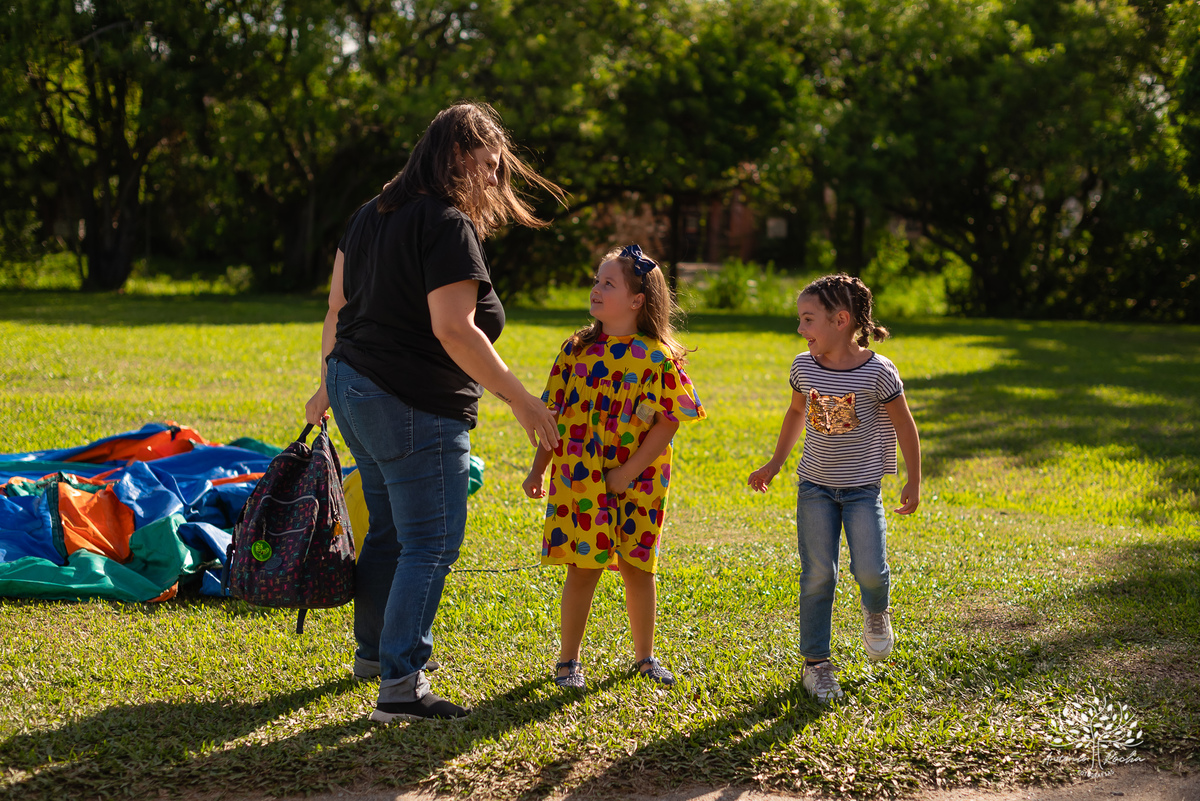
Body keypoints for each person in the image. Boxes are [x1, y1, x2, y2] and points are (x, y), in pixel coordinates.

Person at [304, 102, 565, 722]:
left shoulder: (371, 212)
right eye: (492, 165)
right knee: (431, 542)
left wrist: (325, 383)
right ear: (460, 158)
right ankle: (400, 687)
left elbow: (337, 309)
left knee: (392, 531)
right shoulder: (445, 222)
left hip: (354, 384)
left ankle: (375, 657)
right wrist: (522, 400)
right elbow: (454, 329)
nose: (497, 179)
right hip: (409, 401)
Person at [522, 245, 705, 689]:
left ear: (637, 299)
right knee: (582, 566)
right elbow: (553, 413)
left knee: (638, 567)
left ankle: (645, 657)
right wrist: (537, 468)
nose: (596, 290)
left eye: (608, 283)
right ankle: (568, 663)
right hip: (579, 475)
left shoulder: (657, 357)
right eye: (596, 281)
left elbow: (669, 421)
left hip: (639, 480)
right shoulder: (576, 350)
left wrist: (628, 472)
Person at [747, 273, 921, 703]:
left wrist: (913, 479)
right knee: (819, 574)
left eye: (808, 319)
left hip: (863, 490)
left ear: (840, 320)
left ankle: (876, 611)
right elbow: (794, 414)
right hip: (815, 488)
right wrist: (774, 463)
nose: (800, 329)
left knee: (870, 571)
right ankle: (817, 665)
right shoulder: (803, 366)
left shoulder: (878, 371)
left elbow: (904, 424)